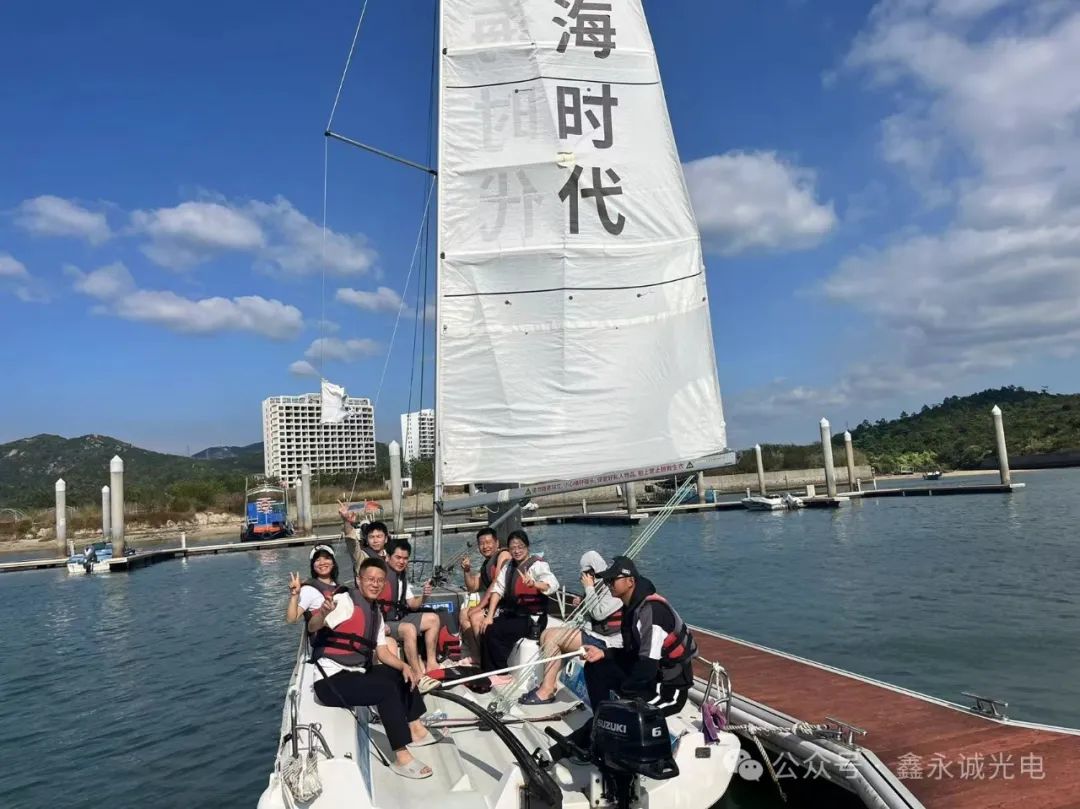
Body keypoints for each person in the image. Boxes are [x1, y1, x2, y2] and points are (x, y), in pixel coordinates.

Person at [308, 557, 437, 779]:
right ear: (359, 580)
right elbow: (313, 626)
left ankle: (416, 729)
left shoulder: (375, 612)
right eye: (370, 579)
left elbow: (383, 652)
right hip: (329, 680)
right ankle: (402, 757)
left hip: (356, 672)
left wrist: (405, 666)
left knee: (400, 674)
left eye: (380, 580)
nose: (375, 584)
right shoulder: (344, 602)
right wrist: (322, 614)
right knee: (385, 690)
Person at [580, 556, 697, 718]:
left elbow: (648, 665)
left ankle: (609, 719)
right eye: (607, 580)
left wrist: (626, 693)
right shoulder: (632, 607)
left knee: (626, 709)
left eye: (612, 580)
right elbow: (632, 652)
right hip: (650, 676)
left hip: (668, 688)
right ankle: (601, 719)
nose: (608, 584)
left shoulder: (652, 612)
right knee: (595, 667)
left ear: (630, 581)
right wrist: (604, 653)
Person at [519, 550, 623, 705]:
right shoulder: (599, 586)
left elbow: (600, 613)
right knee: (546, 634)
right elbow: (594, 610)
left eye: (586, 573)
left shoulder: (611, 586)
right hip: (597, 634)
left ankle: (547, 690)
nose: (584, 577)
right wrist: (583, 601)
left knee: (553, 638)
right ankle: (550, 684)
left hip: (610, 642)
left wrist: (589, 589)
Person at [480, 529, 559, 672]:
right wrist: (489, 616)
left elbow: (552, 584)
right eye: (513, 548)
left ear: (527, 546)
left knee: (496, 632)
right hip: (514, 615)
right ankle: (489, 672)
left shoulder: (537, 565)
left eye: (520, 547)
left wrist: (534, 584)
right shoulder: (509, 566)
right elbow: (498, 590)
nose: (516, 551)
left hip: (533, 619)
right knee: (486, 628)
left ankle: (501, 672)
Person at [381, 539, 441, 676]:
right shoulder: (381, 577)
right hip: (385, 623)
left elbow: (413, 605)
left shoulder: (401, 577)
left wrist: (424, 596)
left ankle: (431, 663)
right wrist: (380, 625)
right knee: (409, 629)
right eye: (398, 557)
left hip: (399, 618)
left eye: (405, 558)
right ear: (388, 557)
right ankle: (417, 673)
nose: (402, 562)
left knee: (433, 619)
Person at [458, 527, 511, 664]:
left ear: (497, 543)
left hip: (505, 607)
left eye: (488, 542)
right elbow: (473, 586)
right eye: (481, 543)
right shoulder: (487, 564)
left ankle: (488, 659)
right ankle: (477, 655)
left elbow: (497, 582)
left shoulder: (503, 555)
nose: (485, 546)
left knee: (475, 616)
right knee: (464, 614)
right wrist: (467, 571)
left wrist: (480, 607)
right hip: (494, 605)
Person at [286, 544, 339, 624]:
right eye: (317, 560)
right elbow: (291, 620)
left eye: (327, 558)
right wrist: (295, 595)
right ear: (313, 566)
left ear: (333, 563)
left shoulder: (338, 587)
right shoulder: (308, 590)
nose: (322, 563)